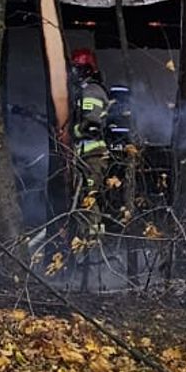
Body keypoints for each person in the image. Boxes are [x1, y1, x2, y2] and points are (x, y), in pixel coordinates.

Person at [69, 48, 111, 257]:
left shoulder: (91, 91)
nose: (73, 73)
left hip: (92, 156)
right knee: (83, 200)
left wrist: (73, 132)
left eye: (77, 69)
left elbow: (92, 123)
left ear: (87, 70)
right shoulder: (84, 91)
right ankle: (84, 244)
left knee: (90, 200)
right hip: (85, 155)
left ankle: (92, 248)